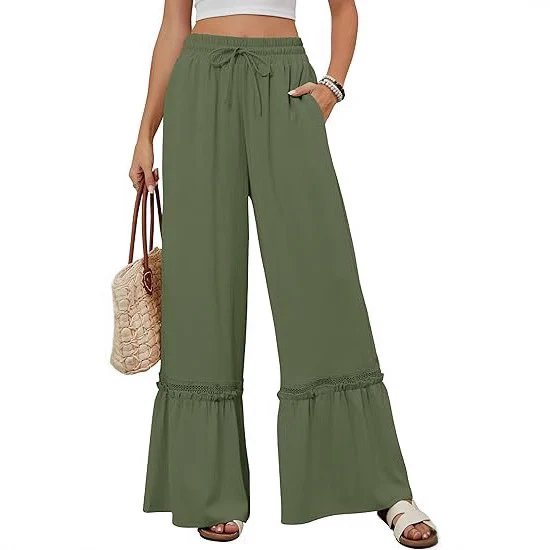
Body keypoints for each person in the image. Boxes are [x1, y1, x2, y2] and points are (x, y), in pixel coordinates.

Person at [129, 1, 437, 547]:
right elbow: (174, 23)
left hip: (286, 86)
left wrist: (333, 85)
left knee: (322, 276)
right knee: (201, 285)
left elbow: (343, 8)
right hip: (198, 86)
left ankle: (381, 485)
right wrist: (145, 131)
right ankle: (210, 490)